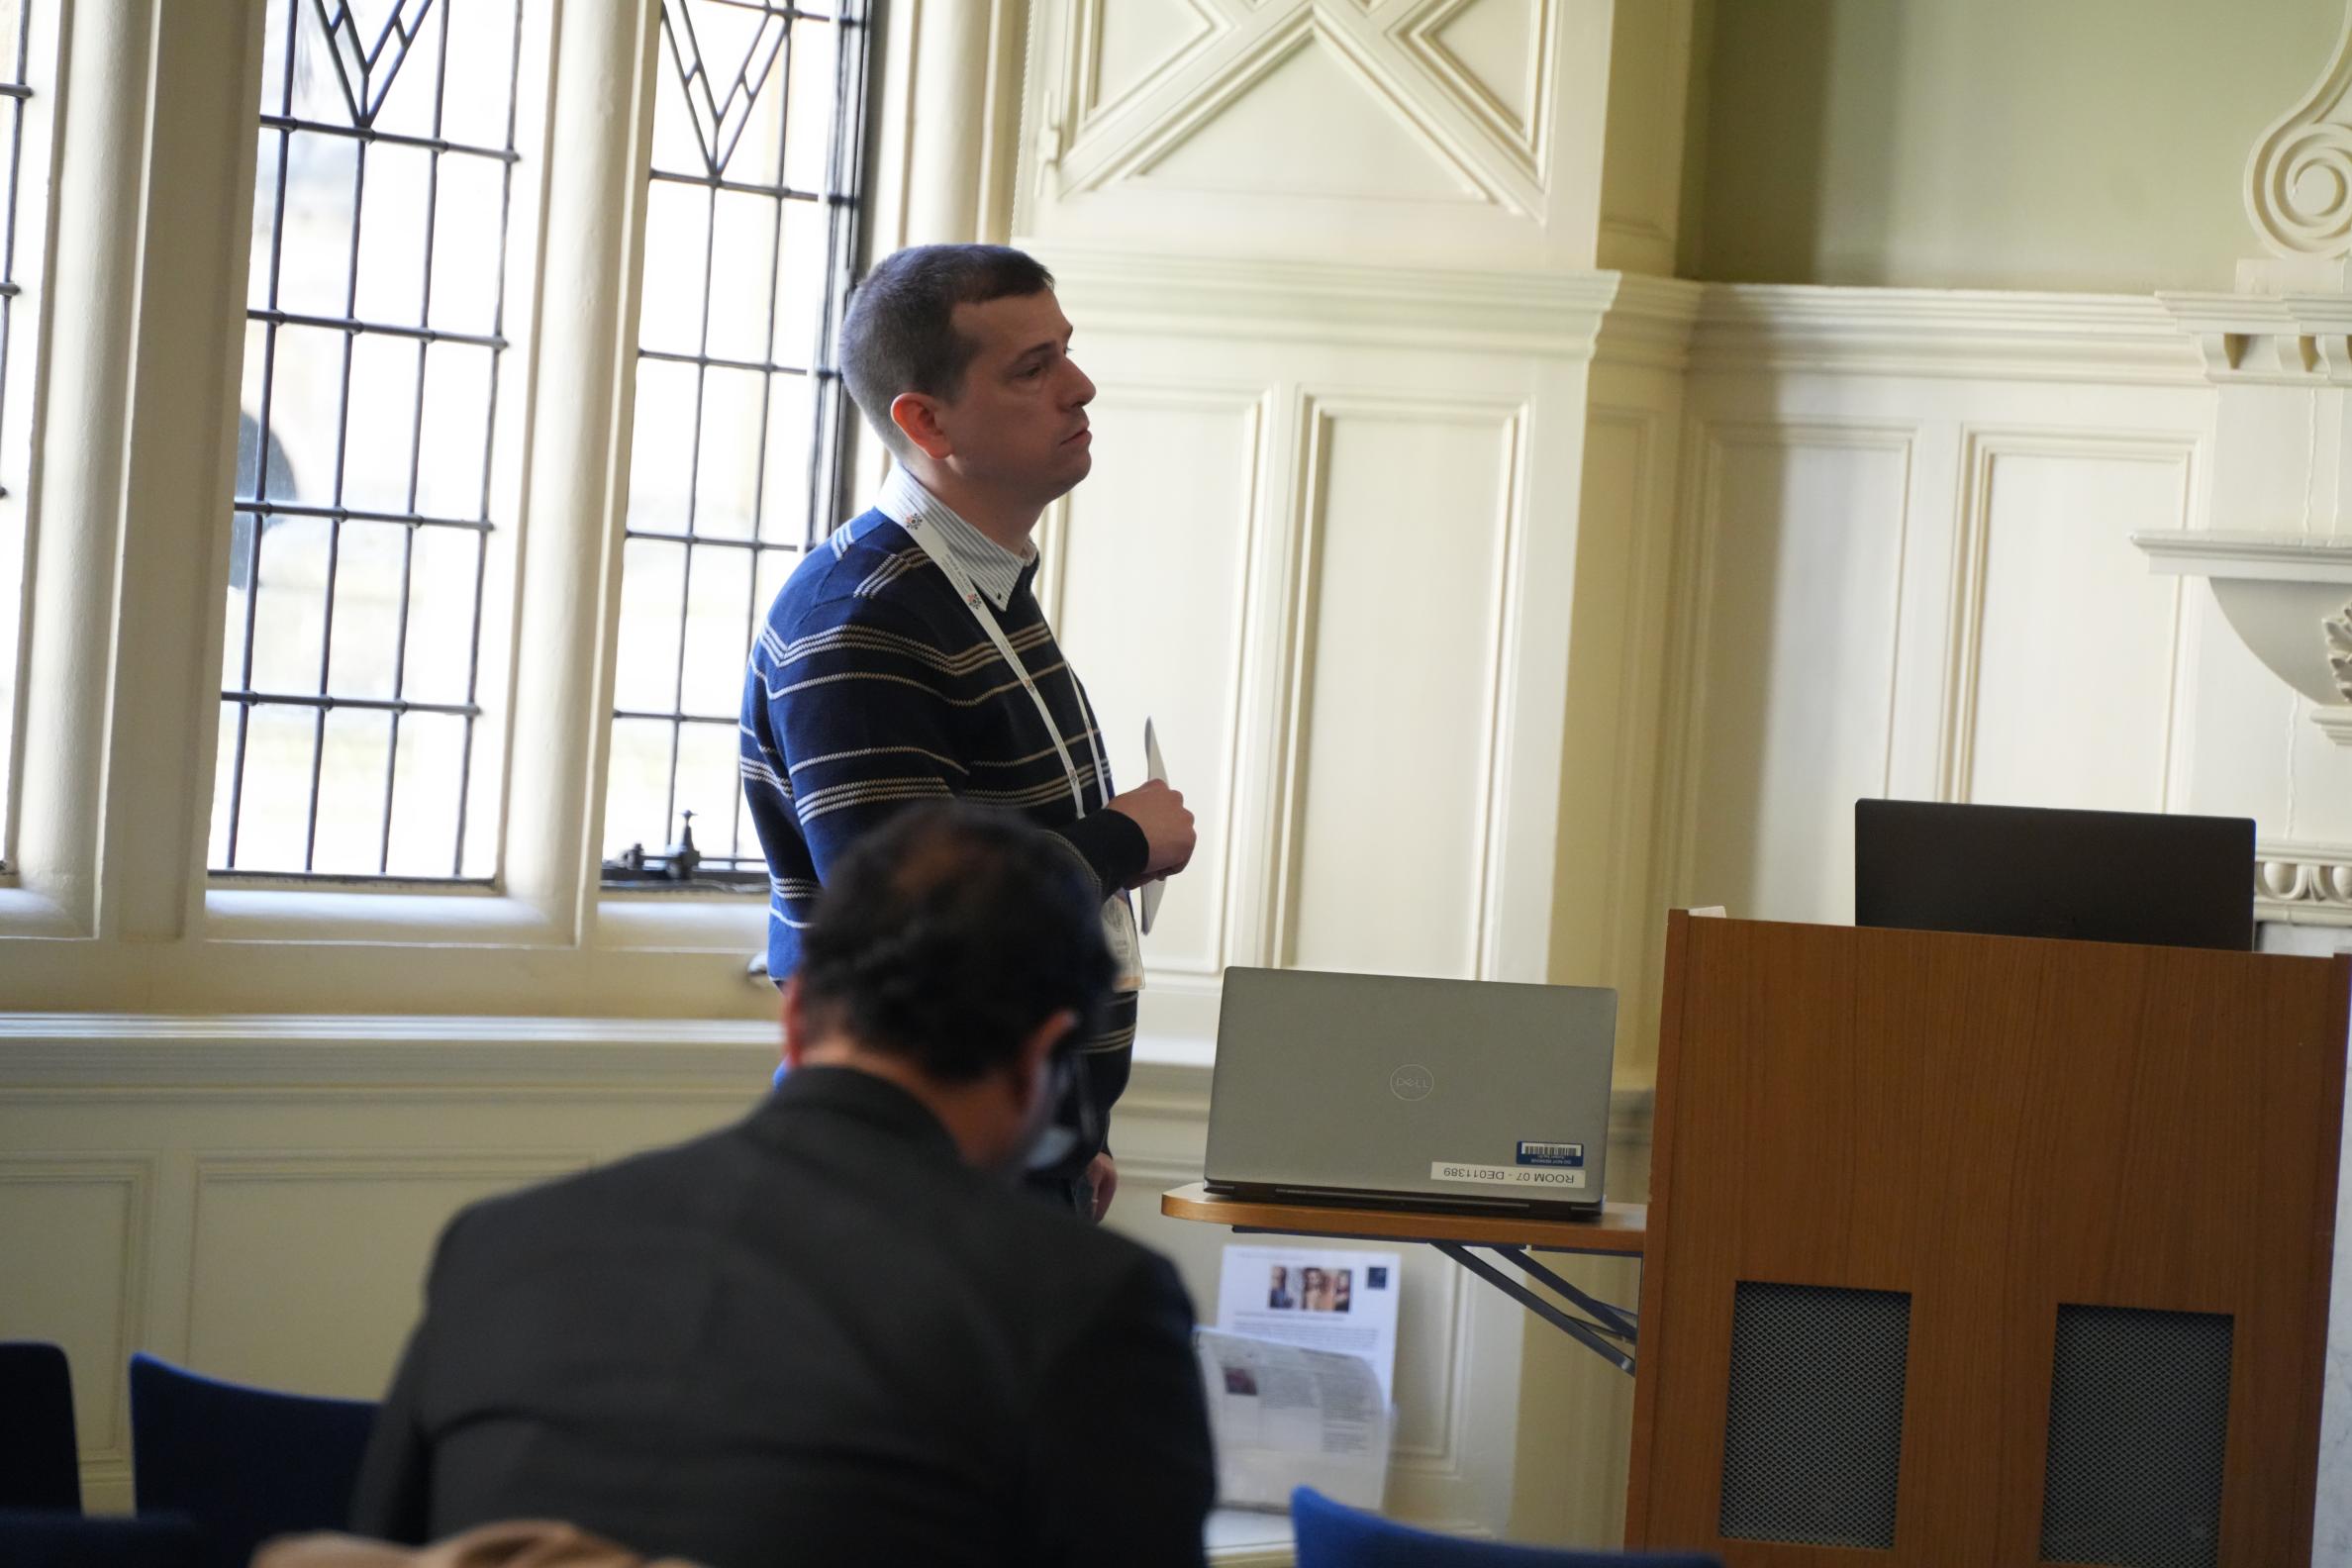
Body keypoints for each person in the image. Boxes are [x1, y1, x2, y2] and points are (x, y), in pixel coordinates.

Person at [349, 804, 1219, 1568]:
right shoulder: (1088, 1307)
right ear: (1043, 1060)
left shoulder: (500, 1245)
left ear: (795, 1017)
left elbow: (376, 1549)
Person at [741, 245, 1196, 1223]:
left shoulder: (972, 583)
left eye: (1066, 350)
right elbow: (916, 938)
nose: (1080, 386)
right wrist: (1123, 841)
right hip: (905, 1178)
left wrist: (1071, 1128)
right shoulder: (861, 621)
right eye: (1033, 369)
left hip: (1003, 1148)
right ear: (926, 421)